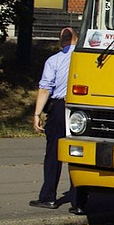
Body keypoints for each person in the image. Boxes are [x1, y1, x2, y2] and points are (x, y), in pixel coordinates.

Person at [30, 27, 78, 211]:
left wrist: (37, 114)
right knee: (78, 153)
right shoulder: (87, 59)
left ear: (61, 41)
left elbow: (45, 88)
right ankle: (78, 201)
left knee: (54, 153)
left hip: (59, 108)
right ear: (77, 39)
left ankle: (48, 196)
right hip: (81, 109)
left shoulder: (54, 60)